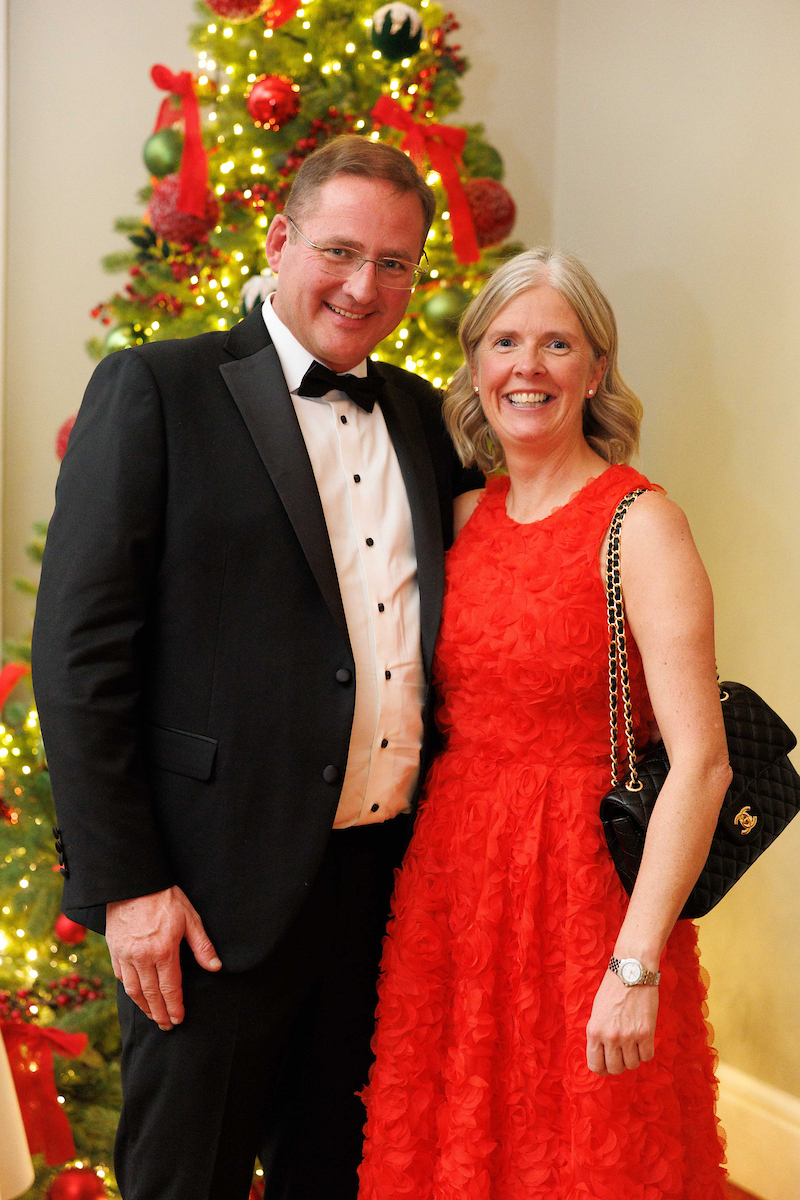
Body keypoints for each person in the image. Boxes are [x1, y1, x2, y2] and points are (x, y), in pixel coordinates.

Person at [30, 135, 482, 1200]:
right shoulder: (157, 388)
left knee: (344, 1173)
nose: (363, 288)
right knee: (186, 1178)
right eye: (339, 252)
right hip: (207, 896)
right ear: (280, 241)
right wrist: (129, 886)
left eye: (394, 265)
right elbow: (80, 655)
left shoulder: (426, 418)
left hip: (385, 894)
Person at [358, 248, 733, 1198]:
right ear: (476, 364)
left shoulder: (640, 524)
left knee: (585, 1153)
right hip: (456, 890)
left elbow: (702, 765)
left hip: (587, 898)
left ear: (596, 369)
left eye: (557, 344)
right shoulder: (460, 518)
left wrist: (635, 966)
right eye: (505, 342)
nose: (528, 366)